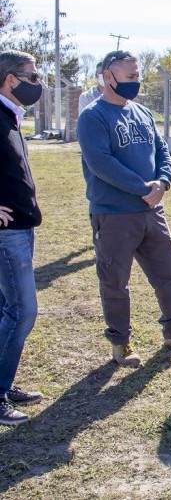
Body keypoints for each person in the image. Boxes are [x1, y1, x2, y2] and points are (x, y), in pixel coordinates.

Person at [76, 50, 171, 367]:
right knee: (115, 282)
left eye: (138, 75)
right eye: (131, 76)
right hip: (114, 214)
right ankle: (121, 343)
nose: (137, 81)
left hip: (152, 212)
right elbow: (101, 163)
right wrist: (142, 188)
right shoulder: (93, 117)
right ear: (109, 77)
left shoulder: (142, 113)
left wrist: (163, 181)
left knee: (168, 274)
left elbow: (162, 151)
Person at [0, 50, 44, 426]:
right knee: (22, 311)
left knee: (6, 310)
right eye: (32, 76)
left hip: (19, 228)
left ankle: (3, 382)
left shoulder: (10, 115)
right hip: (6, 234)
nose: (38, 83)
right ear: (11, 79)